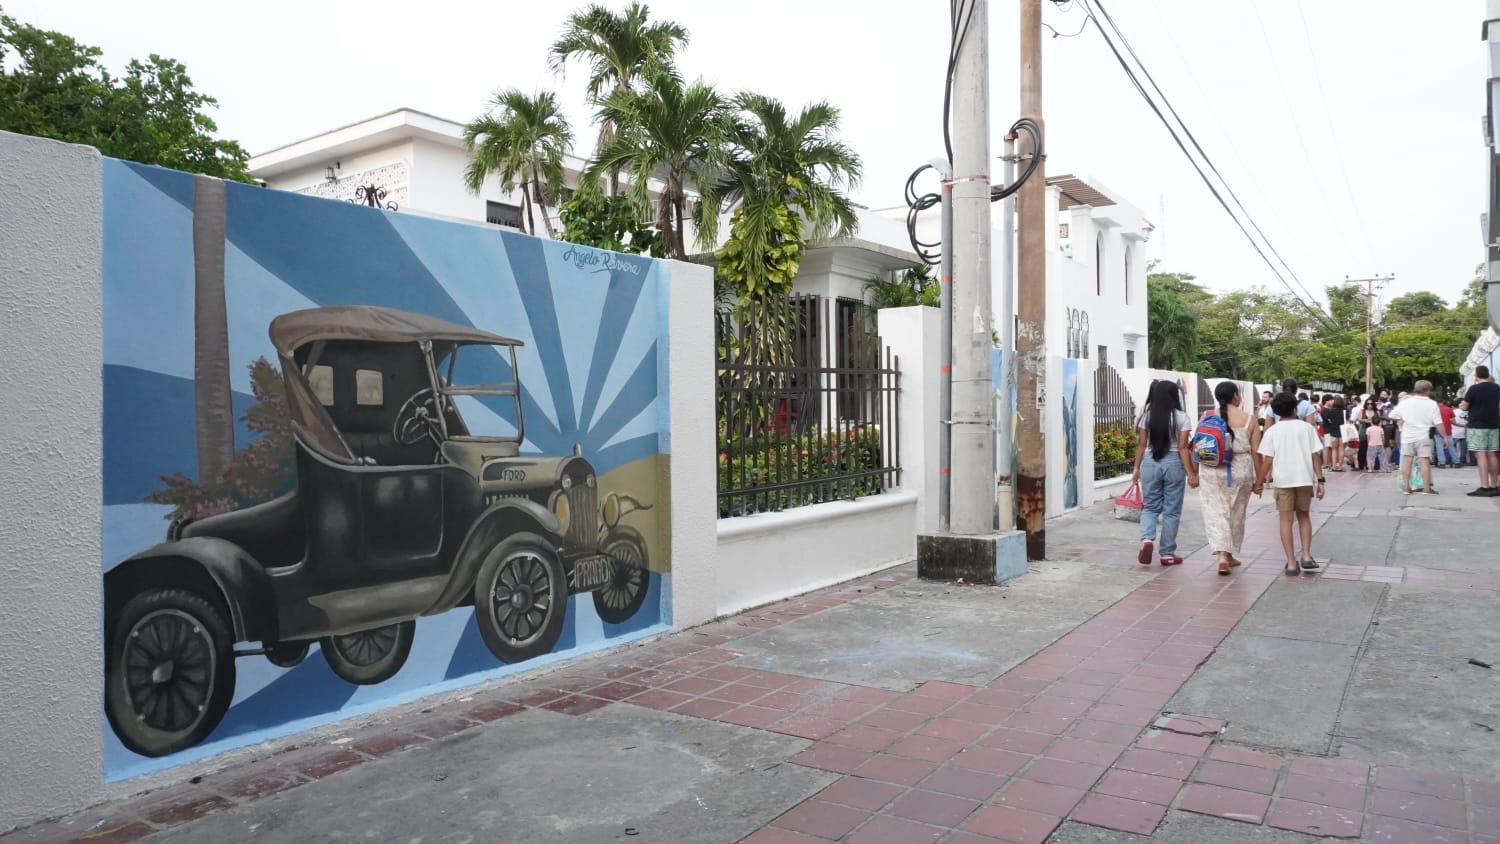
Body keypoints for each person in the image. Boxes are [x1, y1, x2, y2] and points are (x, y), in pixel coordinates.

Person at [1255, 392, 1325, 576]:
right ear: (1295, 409)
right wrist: (1321, 480)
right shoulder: (1307, 428)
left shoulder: (1272, 431)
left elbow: (1267, 460)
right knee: (1304, 517)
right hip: (1304, 480)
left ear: (1276, 412)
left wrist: (1259, 482)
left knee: (1286, 521)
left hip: (1283, 482)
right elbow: (1315, 455)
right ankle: (1307, 556)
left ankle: (1292, 563)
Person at [1131, 380, 1199, 566]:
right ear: (1174, 395)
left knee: (1150, 507)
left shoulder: (1146, 417)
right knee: (1171, 511)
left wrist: (1136, 468)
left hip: (1150, 462)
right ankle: (1167, 553)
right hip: (1174, 464)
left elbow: (1142, 445)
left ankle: (1146, 540)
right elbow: (1184, 447)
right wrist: (1191, 473)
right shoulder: (1182, 417)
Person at [1198, 382, 1261, 576]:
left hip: (1211, 468)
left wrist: (1192, 472)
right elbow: (1256, 452)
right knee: (1236, 512)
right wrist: (1259, 480)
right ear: (1235, 396)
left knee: (1215, 512)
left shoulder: (1207, 416)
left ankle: (1222, 556)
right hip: (1240, 468)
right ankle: (1230, 554)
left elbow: (1198, 444)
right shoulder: (1250, 419)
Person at [1389, 381, 1445, 495]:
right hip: (1424, 435)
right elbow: (1438, 422)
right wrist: (1445, 437)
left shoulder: (1406, 402)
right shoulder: (1432, 404)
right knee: (1424, 461)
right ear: (1427, 391)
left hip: (1407, 435)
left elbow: (1392, 415)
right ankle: (1426, 488)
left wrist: (1403, 418)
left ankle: (1406, 488)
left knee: (1407, 461)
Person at [1462, 365, 1500, 496]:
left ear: (1476, 375)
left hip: (1477, 425)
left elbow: (1464, 406)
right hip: (1493, 424)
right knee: (1492, 454)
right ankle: (1495, 486)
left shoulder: (1474, 388)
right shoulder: (1496, 387)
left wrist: (1463, 404)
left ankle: (1485, 486)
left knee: (1481, 454)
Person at [1451, 400, 1469, 469]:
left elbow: (1451, 421)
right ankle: (1462, 459)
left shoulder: (1454, 411)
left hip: (1454, 432)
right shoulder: (1466, 412)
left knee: (1452, 447)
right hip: (1463, 432)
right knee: (1463, 447)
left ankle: (1454, 460)